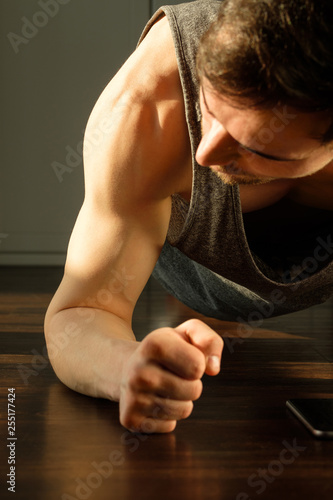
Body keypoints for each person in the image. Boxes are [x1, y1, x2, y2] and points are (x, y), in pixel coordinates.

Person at [44, 0, 333, 433]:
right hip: (192, 266)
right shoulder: (150, 100)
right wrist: (124, 367)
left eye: (255, 147)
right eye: (210, 109)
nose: (205, 154)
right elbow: (78, 312)